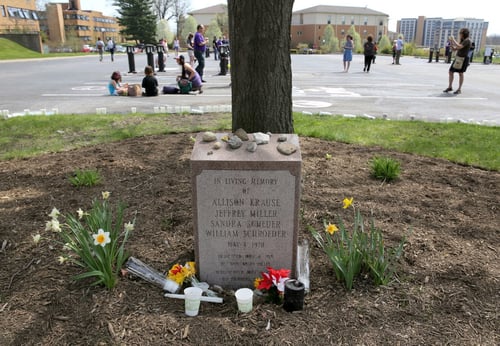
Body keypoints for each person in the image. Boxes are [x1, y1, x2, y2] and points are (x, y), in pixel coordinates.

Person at [443, 28, 471, 95]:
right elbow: (455, 49)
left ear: (464, 34)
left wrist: (453, 39)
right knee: (450, 71)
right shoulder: (463, 40)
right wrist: (451, 43)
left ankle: (459, 89)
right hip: (458, 58)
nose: (460, 34)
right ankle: (450, 87)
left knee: (460, 73)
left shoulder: (467, 40)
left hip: (463, 59)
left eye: (461, 33)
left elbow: (459, 46)